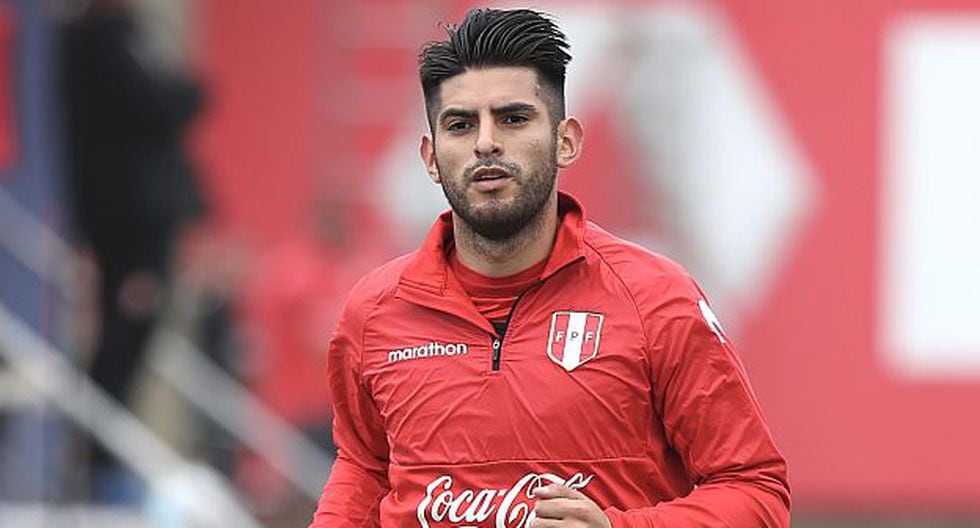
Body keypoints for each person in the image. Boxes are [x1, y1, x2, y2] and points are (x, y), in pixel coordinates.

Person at [309, 8, 789, 527]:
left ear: (566, 141)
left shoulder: (657, 300)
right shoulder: (373, 312)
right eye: (461, 125)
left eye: (513, 118)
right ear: (430, 157)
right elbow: (364, 470)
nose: (485, 142)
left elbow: (756, 492)